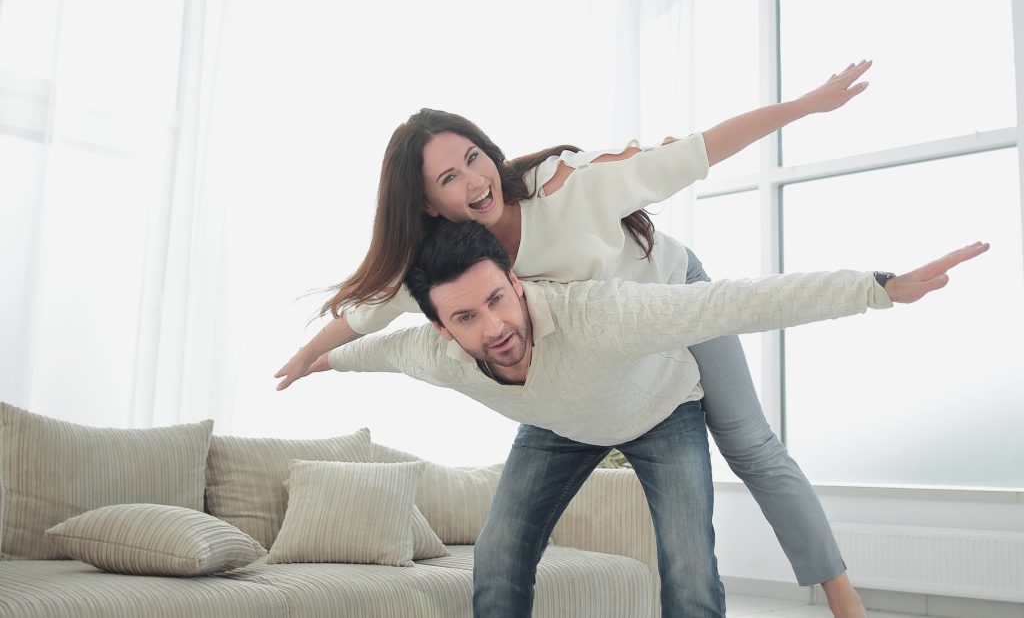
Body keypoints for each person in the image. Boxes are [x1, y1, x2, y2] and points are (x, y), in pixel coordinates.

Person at [277, 60, 879, 616]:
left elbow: (696, 153)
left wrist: (805, 105)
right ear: (429, 205)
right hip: (587, 374)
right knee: (504, 546)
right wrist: (307, 356)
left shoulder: (566, 186)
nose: (475, 181)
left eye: (474, 158)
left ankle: (844, 600)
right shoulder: (456, 270)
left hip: (675, 292)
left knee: (750, 445)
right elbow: (369, 316)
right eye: (449, 178)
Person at [310, 219, 988, 617]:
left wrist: (877, 288)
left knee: (689, 567)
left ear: (516, 282)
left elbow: (735, 304)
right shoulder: (434, 354)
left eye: (497, 300)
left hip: (663, 412)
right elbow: (373, 350)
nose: (494, 328)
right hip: (559, 427)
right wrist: (320, 362)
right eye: (465, 317)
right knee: (498, 552)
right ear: (441, 329)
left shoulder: (598, 313)